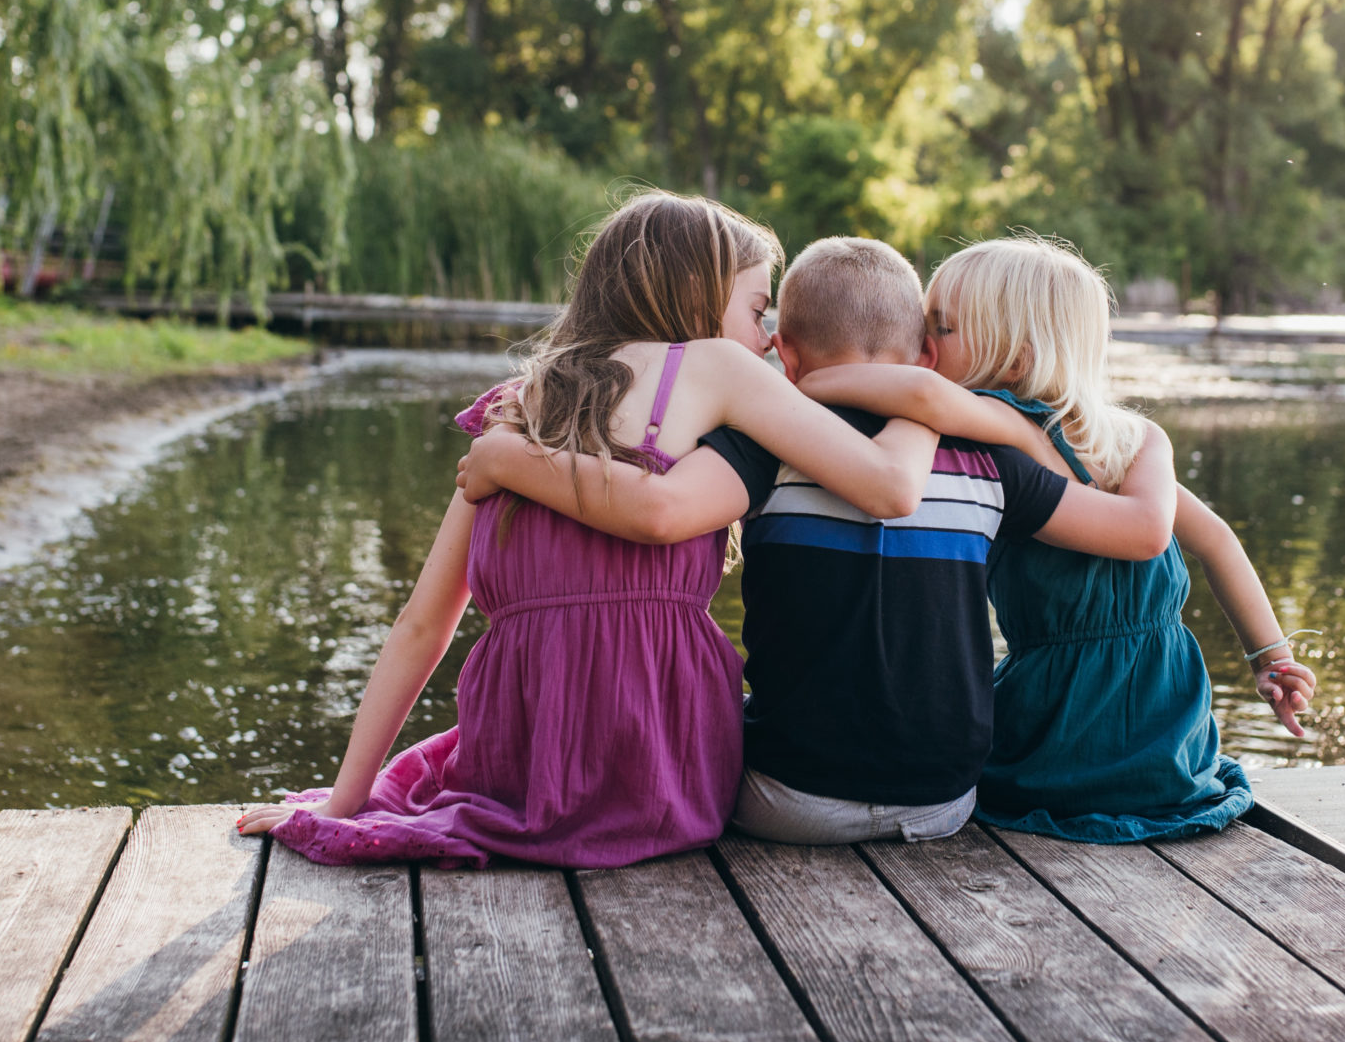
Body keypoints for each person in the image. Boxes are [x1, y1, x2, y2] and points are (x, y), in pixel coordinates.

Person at [235, 193, 938, 868]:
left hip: (518, 766)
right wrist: (936, 396)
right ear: (693, 294)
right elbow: (885, 484)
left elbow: (424, 623)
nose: (766, 337)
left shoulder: (513, 411)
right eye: (757, 309)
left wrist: (344, 799)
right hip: (665, 766)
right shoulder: (715, 366)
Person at [458, 235, 1176, 846]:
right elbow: (1132, 531)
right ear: (926, 355)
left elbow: (659, 508)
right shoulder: (993, 463)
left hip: (787, 801)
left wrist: (513, 457)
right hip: (944, 800)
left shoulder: (760, 446)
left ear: (788, 358)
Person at [798, 234, 1316, 843]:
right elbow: (1219, 543)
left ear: (1015, 357)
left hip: (1074, 723)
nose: (922, 346)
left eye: (940, 327)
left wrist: (795, 390)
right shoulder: (1124, 440)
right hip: (1157, 722)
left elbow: (1179, 537)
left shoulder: (1028, 427)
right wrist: (1268, 654)